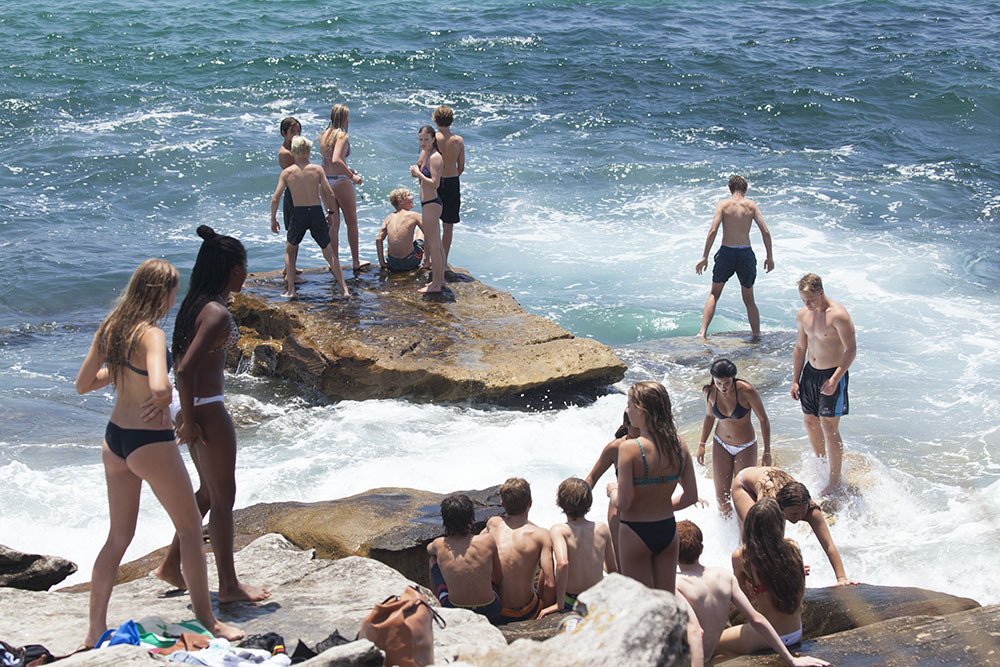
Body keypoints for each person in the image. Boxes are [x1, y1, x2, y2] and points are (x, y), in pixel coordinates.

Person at [76, 259, 243, 646]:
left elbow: (84, 383)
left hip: (114, 440)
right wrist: (162, 397)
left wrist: (123, 377)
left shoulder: (111, 327)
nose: (174, 300)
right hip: (148, 443)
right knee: (188, 530)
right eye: (172, 292)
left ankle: (95, 629)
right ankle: (210, 623)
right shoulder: (150, 335)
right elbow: (160, 383)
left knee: (118, 538)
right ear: (161, 293)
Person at [154, 227, 271, 604]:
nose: (247, 274)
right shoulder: (217, 313)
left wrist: (182, 414)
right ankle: (230, 587)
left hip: (191, 404)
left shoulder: (195, 305)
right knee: (224, 497)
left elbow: (179, 364)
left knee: (208, 491)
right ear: (232, 269)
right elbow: (186, 369)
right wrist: (189, 420)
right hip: (204, 406)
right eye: (244, 267)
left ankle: (171, 565)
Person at [676, 520, 829, 666]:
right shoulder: (724, 575)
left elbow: (695, 631)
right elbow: (757, 619)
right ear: (701, 549)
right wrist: (790, 659)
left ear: (672, 550)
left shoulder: (674, 583)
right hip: (711, 650)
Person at [606, 381, 698, 594]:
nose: (627, 411)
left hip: (635, 532)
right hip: (667, 529)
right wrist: (662, 506)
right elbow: (691, 496)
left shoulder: (630, 448)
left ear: (642, 409)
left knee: (640, 603)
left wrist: (612, 491)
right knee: (667, 600)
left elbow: (624, 502)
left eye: (629, 405)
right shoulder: (679, 444)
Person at [717, 499, 816, 659]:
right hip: (795, 632)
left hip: (767, 636)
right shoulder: (792, 548)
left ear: (750, 526)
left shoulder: (742, 556)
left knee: (712, 646)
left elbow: (745, 601)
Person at [731, 466, 857, 585]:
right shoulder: (770, 506)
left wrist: (842, 579)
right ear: (781, 508)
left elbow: (828, 544)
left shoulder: (810, 511)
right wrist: (789, 566)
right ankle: (745, 581)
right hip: (744, 486)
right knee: (755, 538)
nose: (799, 517)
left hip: (769, 480)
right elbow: (766, 543)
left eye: (802, 512)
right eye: (794, 513)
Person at [791, 273, 856, 495]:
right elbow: (800, 348)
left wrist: (836, 378)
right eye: (803, 300)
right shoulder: (803, 315)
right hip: (810, 373)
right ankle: (821, 466)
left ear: (821, 292)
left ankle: (835, 480)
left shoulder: (838, 315)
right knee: (810, 421)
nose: (807, 304)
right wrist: (795, 380)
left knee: (829, 427)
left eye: (810, 299)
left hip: (832, 374)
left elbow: (851, 349)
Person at [269, 136, 350, 299]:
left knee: (290, 250)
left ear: (293, 152)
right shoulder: (317, 170)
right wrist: (331, 213)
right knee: (328, 253)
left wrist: (273, 219)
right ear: (308, 152)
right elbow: (330, 193)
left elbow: (275, 198)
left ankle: (291, 290)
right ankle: (344, 290)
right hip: (315, 212)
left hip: (298, 213)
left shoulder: (287, 173)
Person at [695, 175, 774, 339]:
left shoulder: (723, 205)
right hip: (745, 253)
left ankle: (703, 332)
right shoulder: (751, 206)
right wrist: (769, 257)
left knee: (714, 294)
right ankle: (756, 335)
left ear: (730, 189)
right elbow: (765, 231)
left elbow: (713, 230)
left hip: (727, 252)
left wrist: (704, 256)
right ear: (745, 189)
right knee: (749, 299)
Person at [696, 358, 771, 514]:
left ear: (733, 378)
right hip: (721, 444)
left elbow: (763, 420)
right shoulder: (709, 391)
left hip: (745, 446)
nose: (723, 387)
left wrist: (767, 451)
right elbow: (710, 417)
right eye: (719, 383)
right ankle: (728, 535)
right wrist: (702, 444)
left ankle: (745, 535)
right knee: (722, 500)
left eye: (727, 383)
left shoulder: (746, 391)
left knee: (743, 497)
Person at [538, 478, 616, 619]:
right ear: (589, 502)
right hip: (595, 597)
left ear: (560, 503)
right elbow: (613, 570)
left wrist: (559, 604)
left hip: (571, 601)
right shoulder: (602, 528)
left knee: (545, 570)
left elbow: (562, 563)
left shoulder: (559, 530)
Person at [483, 478, 555, 623]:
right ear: (530, 503)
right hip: (527, 612)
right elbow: (550, 582)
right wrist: (546, 611)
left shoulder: (493, 524)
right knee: (553, 567)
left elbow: (475, 548)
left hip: (495, 608)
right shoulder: (541, 535)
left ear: (502, 504)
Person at [427, 493, 503, 623]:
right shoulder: (487, 540)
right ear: (471, 518)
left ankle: (436, 602)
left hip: (455, 609)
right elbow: (498, 578)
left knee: (432, 560)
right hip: (490, 609)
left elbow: (428, 549)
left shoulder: (439, 544)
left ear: (445, 521)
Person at [584, 411, 639, 570]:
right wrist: (578, 506)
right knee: (622, 562)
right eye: (638, 427)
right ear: (627, 425)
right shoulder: (615, 447)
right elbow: (592, 478)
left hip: (646, 505)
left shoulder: (653, 444)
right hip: (618, 508)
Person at [318, 103, 370, 272]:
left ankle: (334, 262)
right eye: (348, 116)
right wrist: (351, 176)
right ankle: (355, 261)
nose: (349, 119)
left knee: (333, 224)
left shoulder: (323, 134)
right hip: (341, 181)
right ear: (343, 117)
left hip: (325, 181)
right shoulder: (342, 136)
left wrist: (348, 169)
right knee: (352, 222)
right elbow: (336, 160)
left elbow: (328, 161)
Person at [409, 125, 446, 293]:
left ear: (433, 139)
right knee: (435, 245)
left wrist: (419, 174)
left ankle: (437, 284)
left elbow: (435, 183)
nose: (422, 142)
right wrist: (417, 174)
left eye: (426, 139)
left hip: (432, 203)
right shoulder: (427, 155)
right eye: (420, 139)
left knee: (434, 245)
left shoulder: (435, 157)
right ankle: (439, 281)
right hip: (427, 203)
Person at [433, 105, 465, 267]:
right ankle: (443, 262)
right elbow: (461, 166)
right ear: (451, 121)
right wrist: (452, 176)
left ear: (435, 120)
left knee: (432, 222)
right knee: (448, 226)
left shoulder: (433, 138)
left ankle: (429, 260)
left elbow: (422, 162)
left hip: (436, 181)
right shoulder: (458, 140)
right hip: (452, 181)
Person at [277, 117, 304, 285]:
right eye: (293, 131)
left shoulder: (294, 150)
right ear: (283, 133)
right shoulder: (286, 153)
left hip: (298, 193)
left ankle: (290, 267)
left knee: (296, 234)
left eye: (298, 131)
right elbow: (300, 169)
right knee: (293, 234)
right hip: (293, 195)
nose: (296, 134)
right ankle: (289, 273)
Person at [376, 188, 425, 272]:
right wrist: (426, 260)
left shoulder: (389, 218)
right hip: (410, 262)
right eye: (409, 195)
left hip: (392, 263)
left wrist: (382, 262)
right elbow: (429, 234)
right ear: (400, 201)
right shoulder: (414, 215)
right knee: (421, 231)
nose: (412, 197)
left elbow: (378, 239)